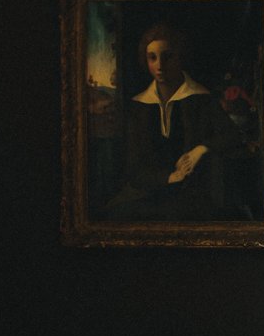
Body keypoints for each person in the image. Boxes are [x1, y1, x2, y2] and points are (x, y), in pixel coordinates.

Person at [104, 22, 247, 222]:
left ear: (180, 57)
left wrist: (201, 149)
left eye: (167, 56)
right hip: (147, 193)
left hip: (192, 192)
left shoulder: (201, 99)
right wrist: (169, 178)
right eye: (152, 58)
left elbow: (233, 136)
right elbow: (133, 168)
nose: (160, 65)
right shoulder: (138, 106)